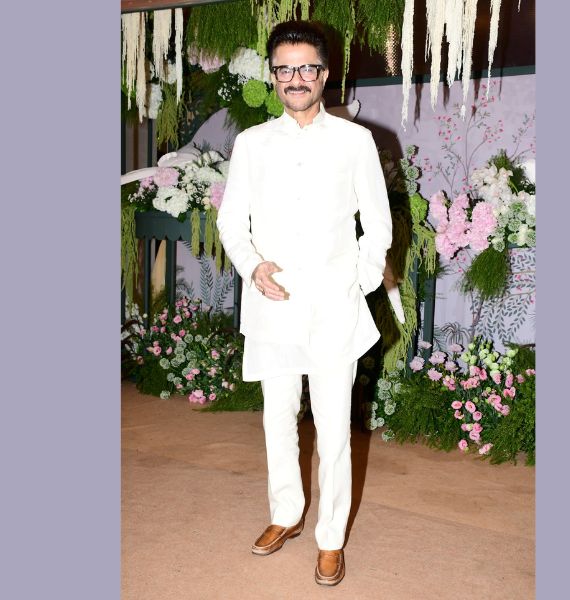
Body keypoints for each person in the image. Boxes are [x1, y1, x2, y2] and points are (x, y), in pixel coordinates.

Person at [216, 20, 392, 587]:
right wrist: (252, 266)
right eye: (285, 69)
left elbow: (378, 223)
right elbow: (231, 220)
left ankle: (331, 538)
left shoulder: (355, 141)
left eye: (306, 68)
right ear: (273, 75)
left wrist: (360, 281)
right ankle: (286, 513)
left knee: (335, 429)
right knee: (277, 419)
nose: (296, 78)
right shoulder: (252, 143)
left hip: (334, 307)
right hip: (273, 303)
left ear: (324, 73)